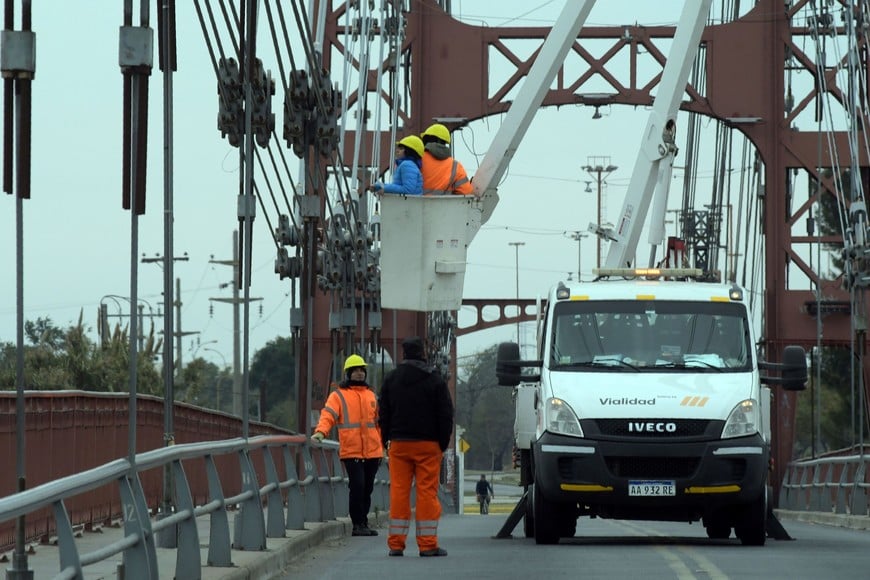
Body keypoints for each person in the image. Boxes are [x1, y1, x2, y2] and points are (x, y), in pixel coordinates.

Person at [378, 336, 454, 557]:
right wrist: (442, 442)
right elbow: (445, 414)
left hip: (399, 445)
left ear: (403, 354)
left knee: (399, 493)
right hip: (428, 445)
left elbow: (384, 413)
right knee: (427, 493)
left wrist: (386, 440)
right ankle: (428, 544)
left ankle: (395, 544)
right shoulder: (435, 380)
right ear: (423, 353)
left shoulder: (391, 379)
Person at [312, 354, 383, 537]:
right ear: (348, 373)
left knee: (367, 488)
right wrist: (321, 432)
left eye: (362, 370)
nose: (359, 374)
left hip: (373, 451)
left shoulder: (371, 395)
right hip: (352, 451)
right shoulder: (338, 396)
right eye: (355, 370)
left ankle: (364, 521)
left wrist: (385, 445)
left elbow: (379, 423)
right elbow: (328, 415)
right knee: (357, 486)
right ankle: (357, 524)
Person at [420, 123, 474, 195]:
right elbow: (466, 192)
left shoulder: (417, 159)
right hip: (445, 206)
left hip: (414, 205)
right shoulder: (455, 166)